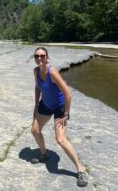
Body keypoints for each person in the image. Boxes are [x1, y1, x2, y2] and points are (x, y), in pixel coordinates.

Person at [31, 46, 88, 187]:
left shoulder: (52, 71)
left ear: (46, 57)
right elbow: (38, 87)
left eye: (42, 56)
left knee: (61, 140)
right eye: (37, 56)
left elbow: (68, 94)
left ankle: (80, 169)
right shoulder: (36, 71)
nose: (39, 58)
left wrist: (66, 114)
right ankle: (44, 154)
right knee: (35, 130)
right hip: (45, 104)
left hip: (59, 107)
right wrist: (36, 104)